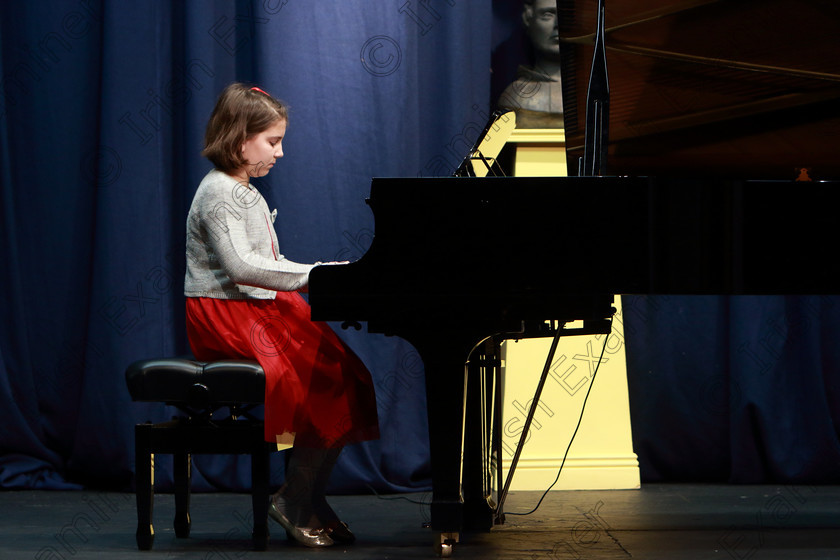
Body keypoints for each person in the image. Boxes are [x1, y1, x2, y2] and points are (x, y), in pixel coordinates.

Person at [183, 82, 380, 547]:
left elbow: (268, 262)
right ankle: (293, 498)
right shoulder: (220, 193)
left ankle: (308, 494)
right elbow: (243, 267)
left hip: (260, 307)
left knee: (343, 375)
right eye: (273, 141)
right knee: (306, 385)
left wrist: (328, 272)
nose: (281, 152)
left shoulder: (243, 190)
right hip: (228, 313)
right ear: (238, 140)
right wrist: (318, 275)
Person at [497, 0, 564, 128]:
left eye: (568, 15)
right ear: (528, 19)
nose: (558, 24)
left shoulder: (598, 93)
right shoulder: (515, 96)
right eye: (548, 14)